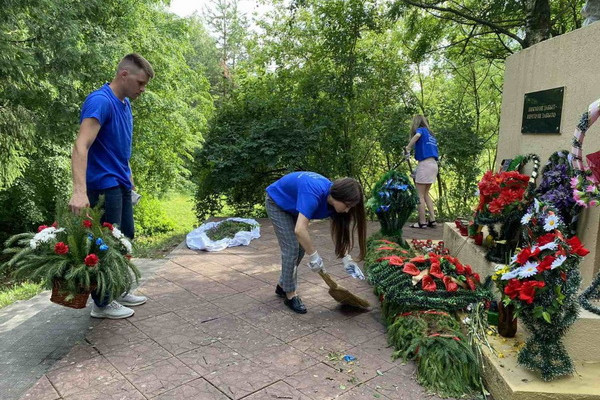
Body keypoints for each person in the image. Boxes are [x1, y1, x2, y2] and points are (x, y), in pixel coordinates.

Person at [68, 53, 154, 319]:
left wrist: (128, 173)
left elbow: (118, 145)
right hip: (102, 187)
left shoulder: (125, 104)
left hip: (120, 183)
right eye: (140, 83)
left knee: (124, 240)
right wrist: (79, 192)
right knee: (105, 245)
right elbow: (80, 146)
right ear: (123, 75)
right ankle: (102, 304)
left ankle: (117, 288)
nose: (143, 89)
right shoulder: (100, 101)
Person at [265, 171, 367, 314]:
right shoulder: (313, 194)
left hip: (293, 204)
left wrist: (346, 258)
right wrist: (314, 256)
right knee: (292, 248)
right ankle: (290, 295)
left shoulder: (334, 202)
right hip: (277, 202)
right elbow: (300, 230)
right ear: (338, 197)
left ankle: (283, 285)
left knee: (300, 249)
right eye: (347, 205)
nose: (347, 210)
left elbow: (339, 230)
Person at [405, 115, 439, 229]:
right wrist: (417, 171)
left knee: (419, 195)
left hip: (425, 164)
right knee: (426, 193)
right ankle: (433, 220)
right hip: (433, 165)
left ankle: (422, 222)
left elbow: (417, 136)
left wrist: (408, 148)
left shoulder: (421, 131)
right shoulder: (431, 135)